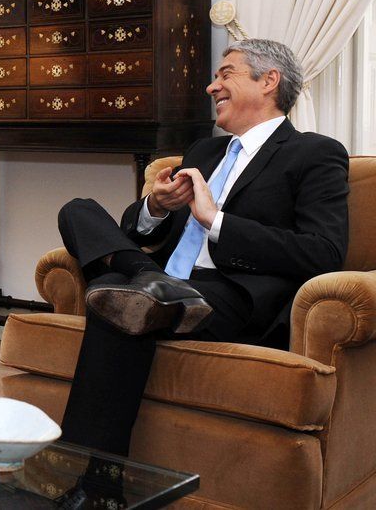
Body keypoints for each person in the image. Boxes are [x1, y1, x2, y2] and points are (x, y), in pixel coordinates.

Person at [55, 38, 349, 457]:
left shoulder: (314, 153)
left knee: (114, 297)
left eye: (225, 74)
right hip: (166, 278)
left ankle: (87, 470)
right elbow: (137, 232)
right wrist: (156, 207)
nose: (212, 87)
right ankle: (150, 280)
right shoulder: (203, 150)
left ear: (269, 81)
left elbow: (323, 251)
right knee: (77, 210)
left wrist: (216, 221)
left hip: (227, 292)